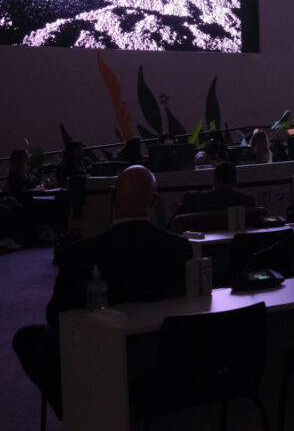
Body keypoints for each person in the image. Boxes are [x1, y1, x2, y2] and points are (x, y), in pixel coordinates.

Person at [12, 165, 192, 418]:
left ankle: (79, 411)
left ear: (111, 198)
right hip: (163, 360)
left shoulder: (78, 254)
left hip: (94, 358)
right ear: (154, 201)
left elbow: (56, 317)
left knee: (28, 338)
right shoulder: (180, 248)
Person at [174, 162, 257, 217]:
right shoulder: (248, 202)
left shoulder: (192, 200)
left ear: (214, 181)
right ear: (235, 182)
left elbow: (174, 225)